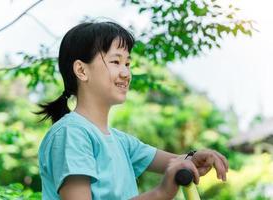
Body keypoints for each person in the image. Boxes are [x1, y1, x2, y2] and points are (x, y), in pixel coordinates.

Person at [36, 21, 229, 200]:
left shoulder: (122, 142)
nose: (126, 73)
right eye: (115, 62)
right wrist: (160, 194)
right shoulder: (71, 134)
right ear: (82, 70)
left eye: (127, 64)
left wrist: (195, 158)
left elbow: (175, 163)